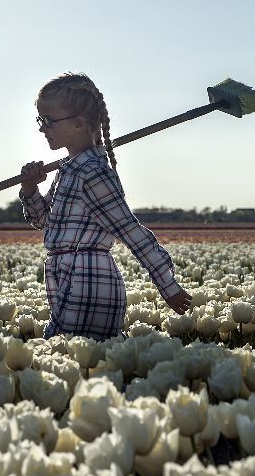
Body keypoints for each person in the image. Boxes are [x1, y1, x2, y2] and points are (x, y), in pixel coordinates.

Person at [19, 72, 192, 341]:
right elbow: (44, 222)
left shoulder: (93, 174)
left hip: (88, 280)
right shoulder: (69, 170)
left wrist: (167, 286)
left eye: (48, 121)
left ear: (79, 123)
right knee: (73, 353)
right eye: (40, 120)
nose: (42, 128)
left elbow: (130, 231)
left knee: (77, 352)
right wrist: (30, 189)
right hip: (68, 275)